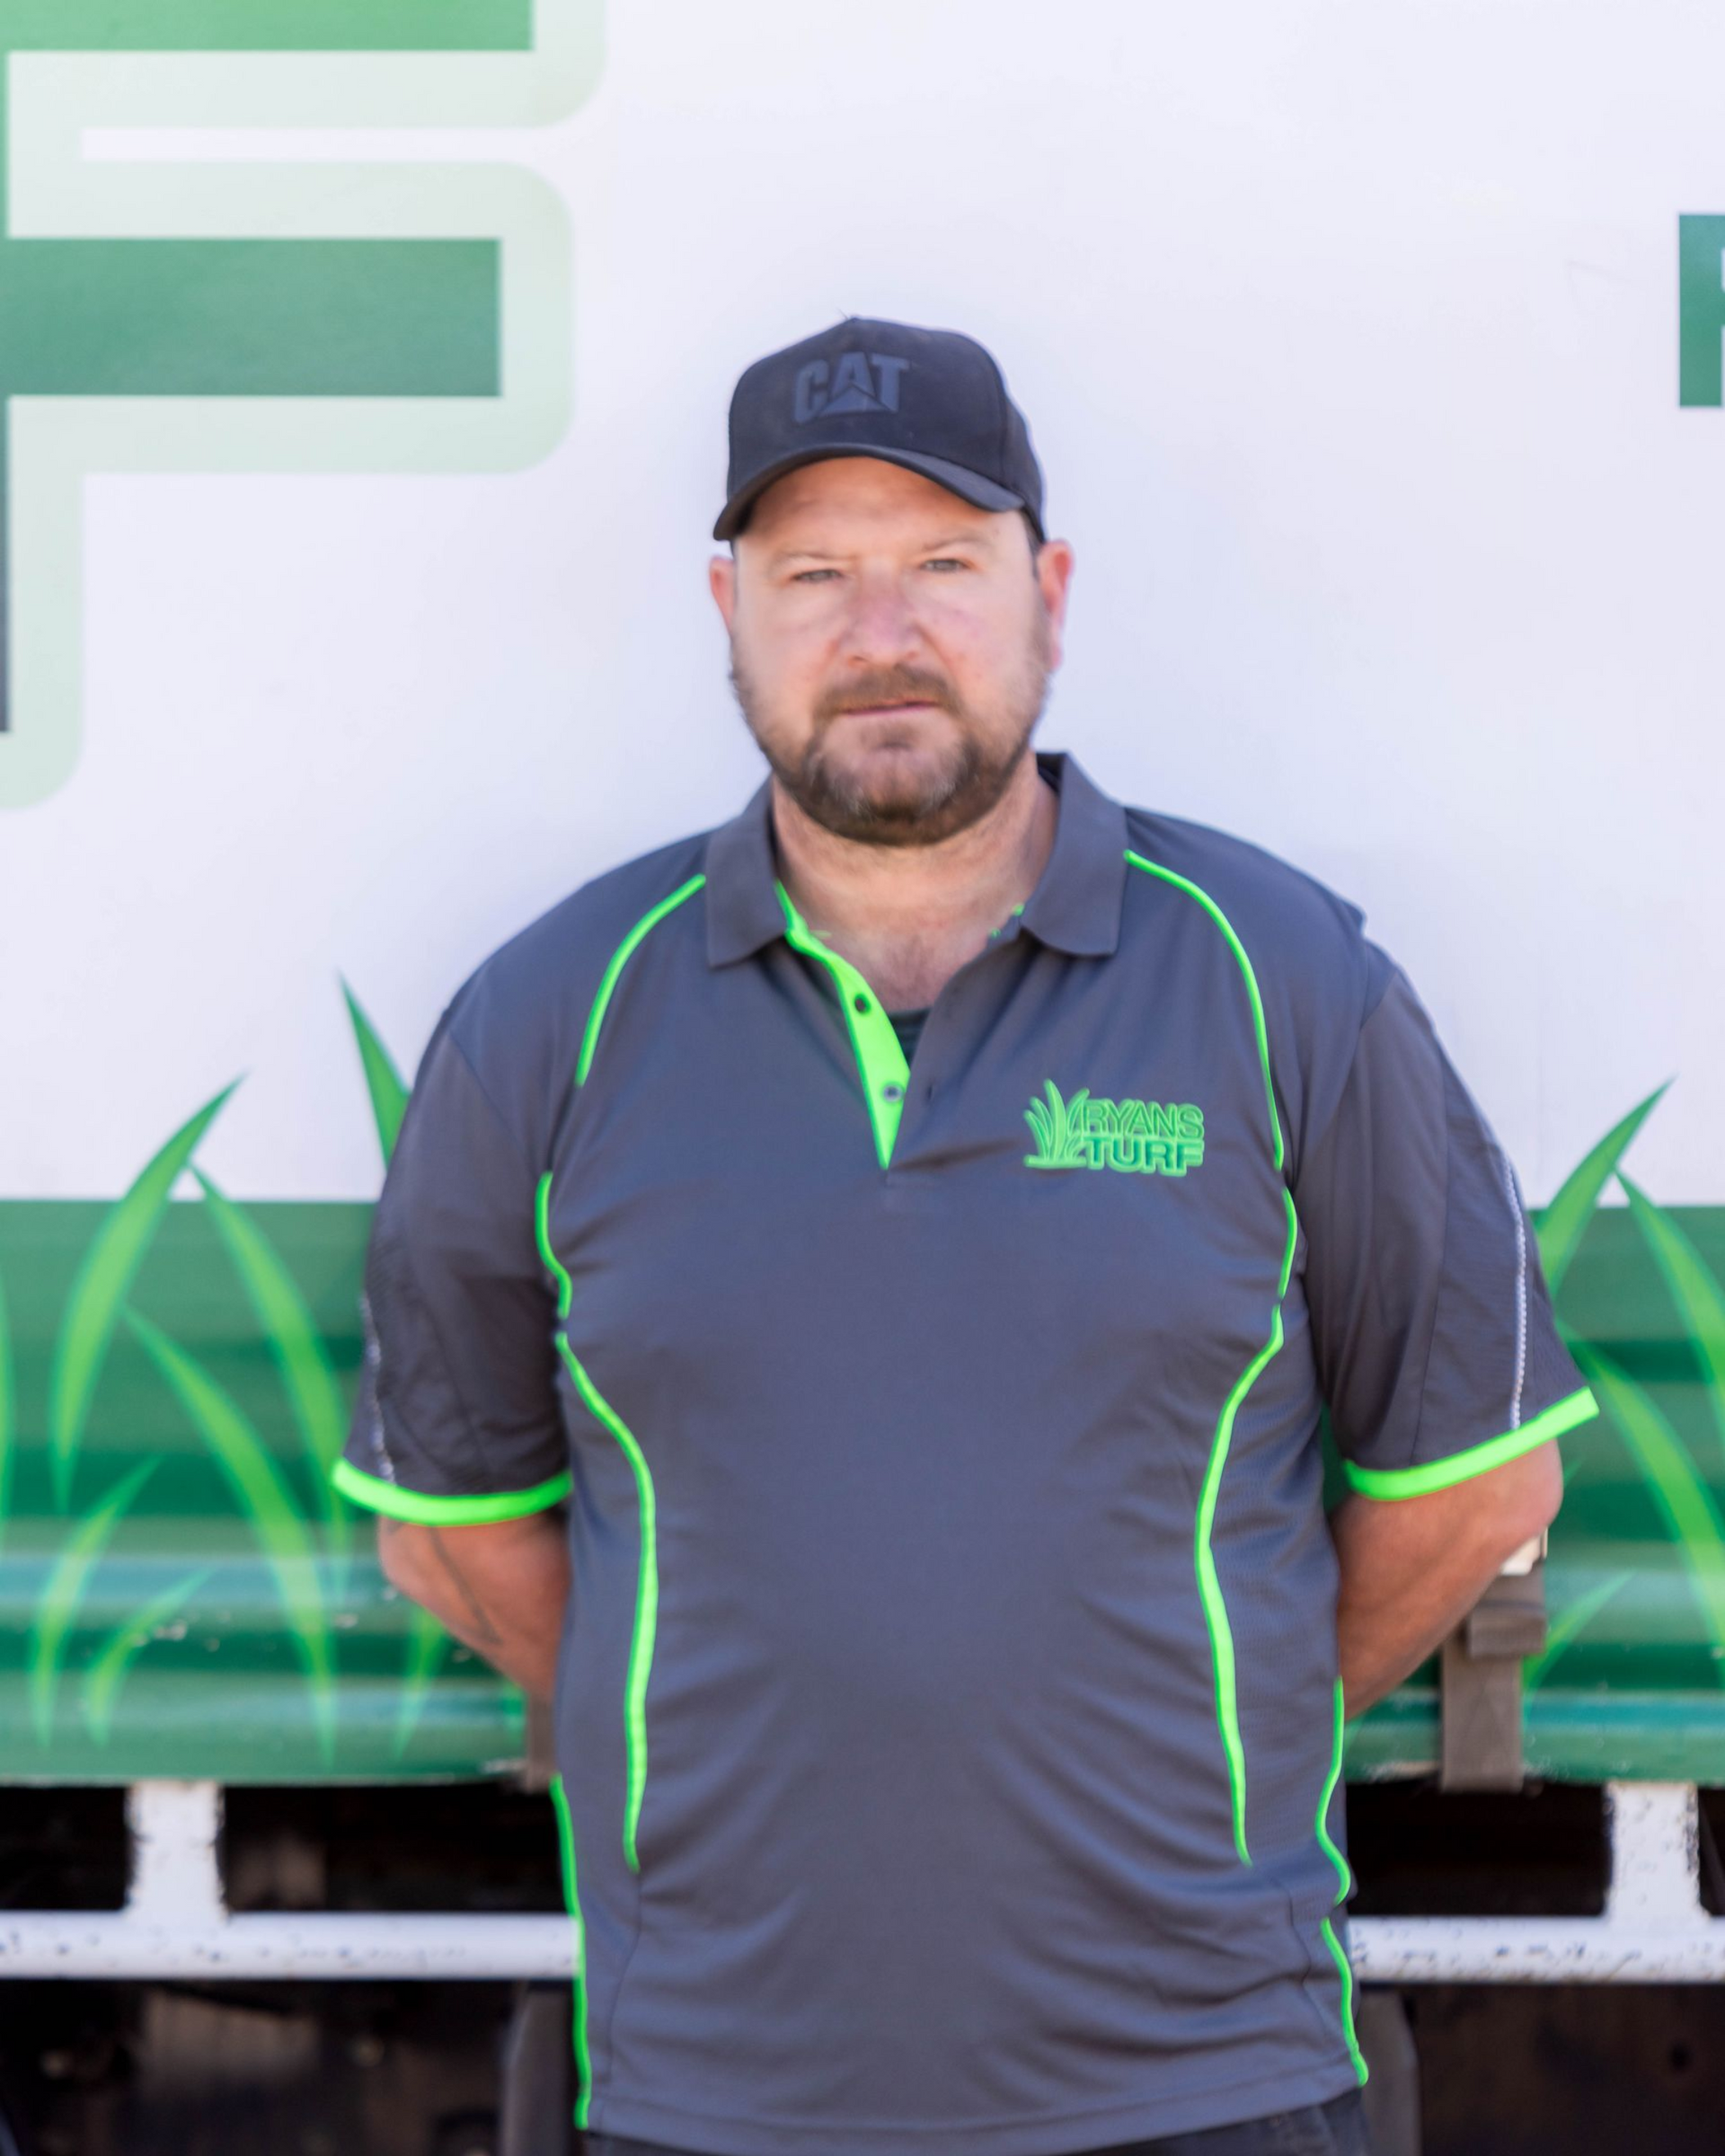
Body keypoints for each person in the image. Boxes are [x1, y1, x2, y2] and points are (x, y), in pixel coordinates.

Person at [332, 317, 1597, 2156]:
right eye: (816, 574)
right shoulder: (552, 1021)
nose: (881, 633)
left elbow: (1472, 1486)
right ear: (728, 608)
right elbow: (455, 1532)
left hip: (1211, 2088)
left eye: (941, 565)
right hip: (721, 2099)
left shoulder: (1280, 981)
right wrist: (710, 1721)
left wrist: (1189, 1730)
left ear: (1049, 594)